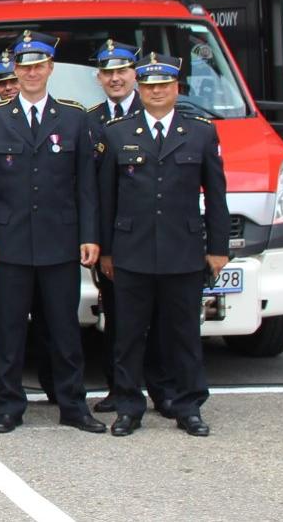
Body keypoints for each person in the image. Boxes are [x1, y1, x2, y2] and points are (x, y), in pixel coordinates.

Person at [0, 30, 107, 435]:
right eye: (24, 66)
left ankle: (72, 405)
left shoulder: (74, 118)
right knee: (10, 330)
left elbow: (85, 185)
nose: (31, 73)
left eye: (38, 66)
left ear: (49, 69)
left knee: (64, 329)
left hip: (59, 241)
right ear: (15, 69)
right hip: (10, 243)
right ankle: (10, 404)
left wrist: (89, 234)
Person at [98, 53, 230, 438]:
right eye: (150, 87)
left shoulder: (201, 131)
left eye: (164, 86)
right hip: (131, 251)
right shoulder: (118, 132)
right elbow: (107, 197)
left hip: (183, 250)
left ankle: (189, 406)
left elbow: (217, 195)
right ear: (140, 88)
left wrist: (218, 247)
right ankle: (128, 407)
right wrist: (106, 249)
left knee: (184, 334)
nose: (156, 93)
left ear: (177, 89)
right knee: (127, 334)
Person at [85, 40, 159, 415]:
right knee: (118, 317)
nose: (115, 79)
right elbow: (88, 187)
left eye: (122, 71)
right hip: (114, 239)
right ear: (99, 78)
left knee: (162, 320)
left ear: (136, 74)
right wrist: (98, 242)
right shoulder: (90, 120)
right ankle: (121, 388)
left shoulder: (157, 114)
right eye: (108, 73)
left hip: (156, 235)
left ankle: (164, 389)